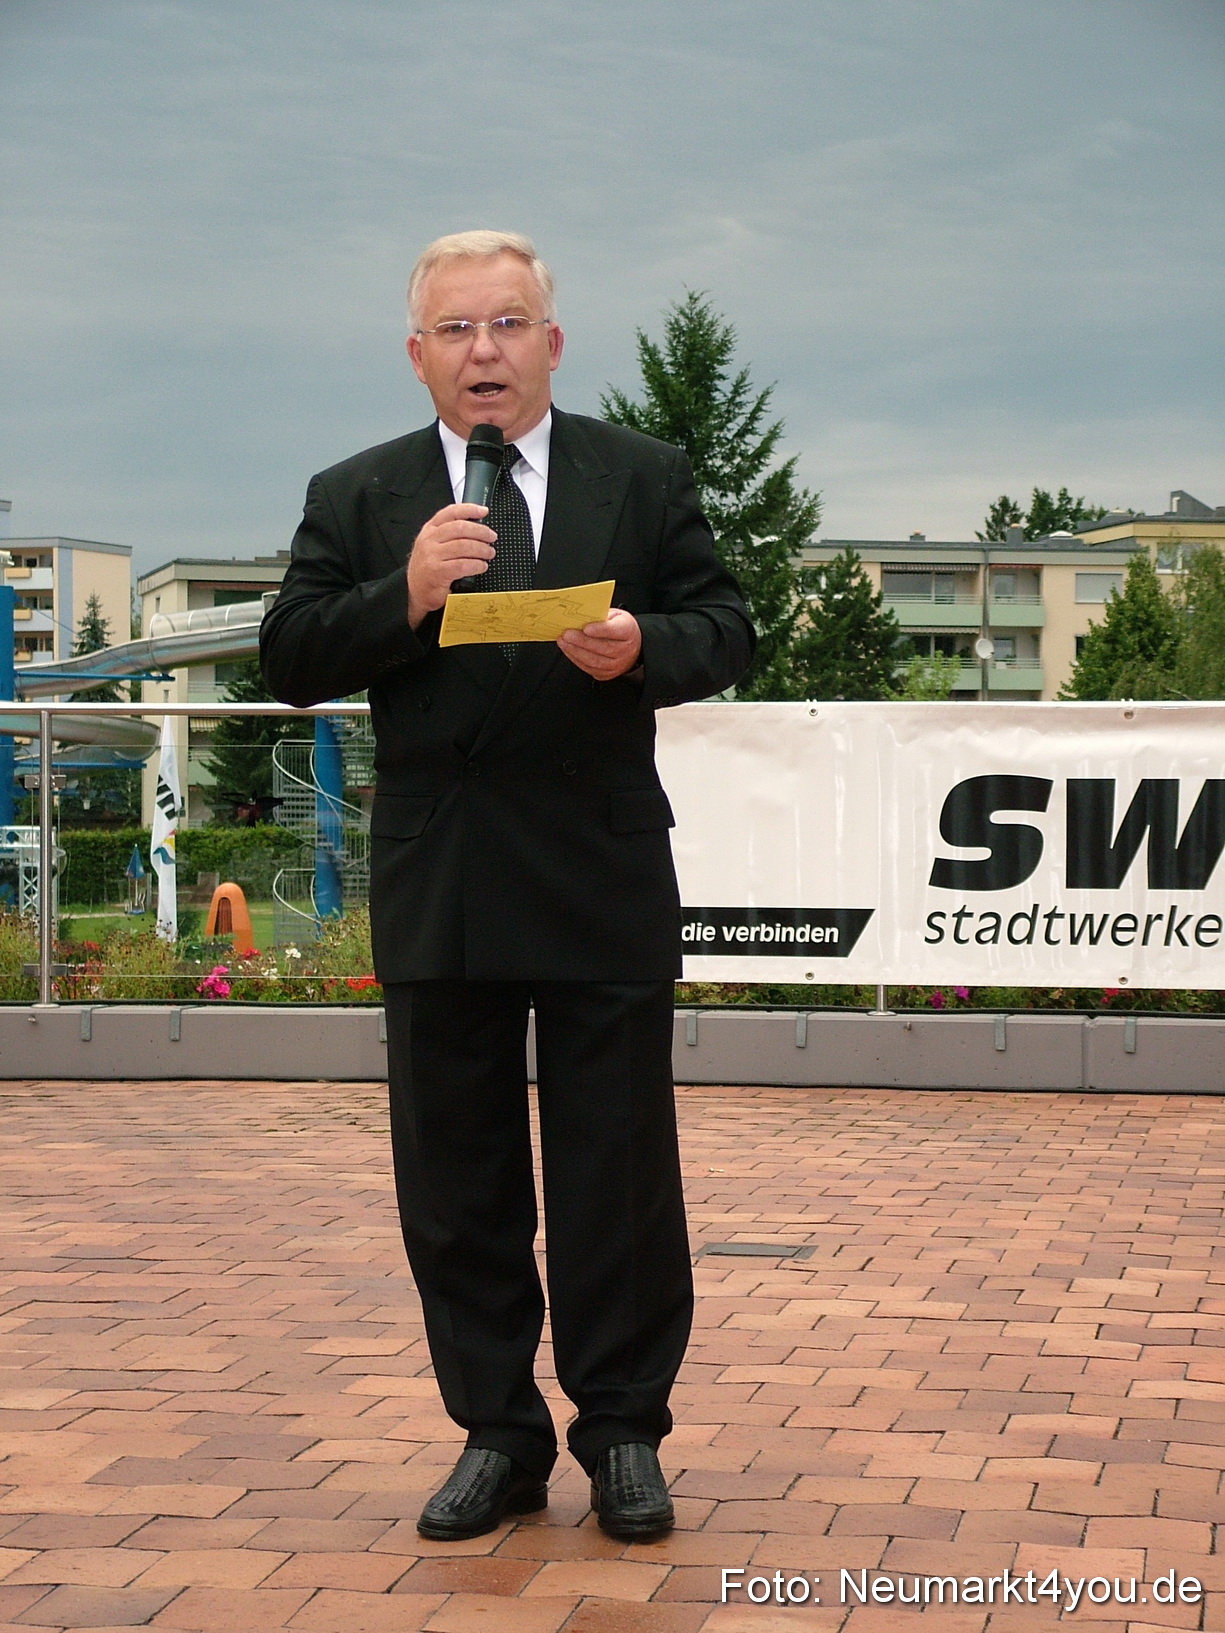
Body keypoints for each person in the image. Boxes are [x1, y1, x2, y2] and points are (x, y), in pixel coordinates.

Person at [260, 230, 754, 1542]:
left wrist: (642, 644)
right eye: (457, 329)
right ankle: (496, 1433)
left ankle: (623, 1432)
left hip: (598, 864)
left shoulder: (639, 474)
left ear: (551, 340)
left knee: (616, 1172)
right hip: (446, 875)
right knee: (458, 1178)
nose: (484, 351)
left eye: (508, 323)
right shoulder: (357, 492)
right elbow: (290, 655)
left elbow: (726, 627)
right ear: (417, 354)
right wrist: (405, 591)